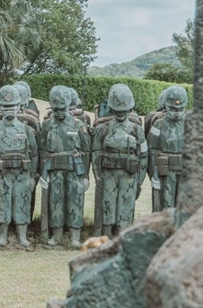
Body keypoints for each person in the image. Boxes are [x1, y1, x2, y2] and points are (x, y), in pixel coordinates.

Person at [0, 85, 37, 248]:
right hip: (2, 174)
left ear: (19, 106)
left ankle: (22, 237)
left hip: (22, 174)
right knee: (3, 204)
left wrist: (33, 176)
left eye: (12, 106)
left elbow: (34, 154)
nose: (9, 110)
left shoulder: (27, 129)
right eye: (6, 107)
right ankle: (3, 236)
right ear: (0, 107)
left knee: (22, 203)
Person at [90, 84, 147, 235]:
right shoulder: (103, 128)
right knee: (108, 204)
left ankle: (123, 236)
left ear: (130, 109)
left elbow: (144, 155)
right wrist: (97, 175)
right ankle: (106, 235)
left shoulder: (137, 130)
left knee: (126, 205)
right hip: (108, 174)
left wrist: (140, 180)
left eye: (124, 110)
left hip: (129, 175)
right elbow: (95, 153)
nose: (121, 113)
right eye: (117, 110)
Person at [39, 86, 90, 248]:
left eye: (62, 109)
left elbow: (86, 150)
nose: (59, 113)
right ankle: (57, 235)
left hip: (75, 170)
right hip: (54, 171)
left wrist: (87, 176)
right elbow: (42, 149)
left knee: (76, 200)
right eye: (56, 110)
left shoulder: (78, 125)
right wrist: (43, 174)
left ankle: (75, 236)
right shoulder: (46, 125)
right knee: (56, 201)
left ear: (68, 107)